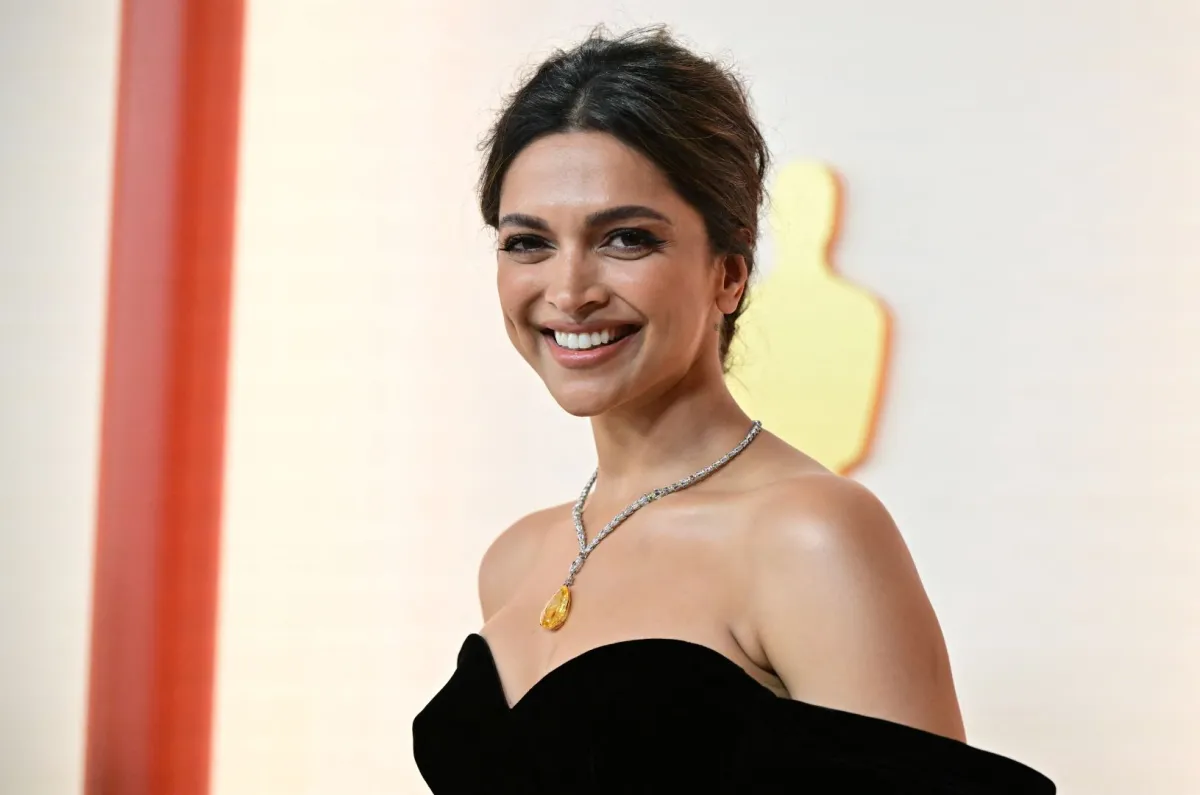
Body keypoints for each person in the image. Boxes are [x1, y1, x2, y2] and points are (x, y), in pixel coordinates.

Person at [412, 25, 1054, 793]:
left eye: (624, 238)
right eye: (528, 243)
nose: (569, 288)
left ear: (729, 273)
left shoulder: (811, 535)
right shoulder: (516, 558)